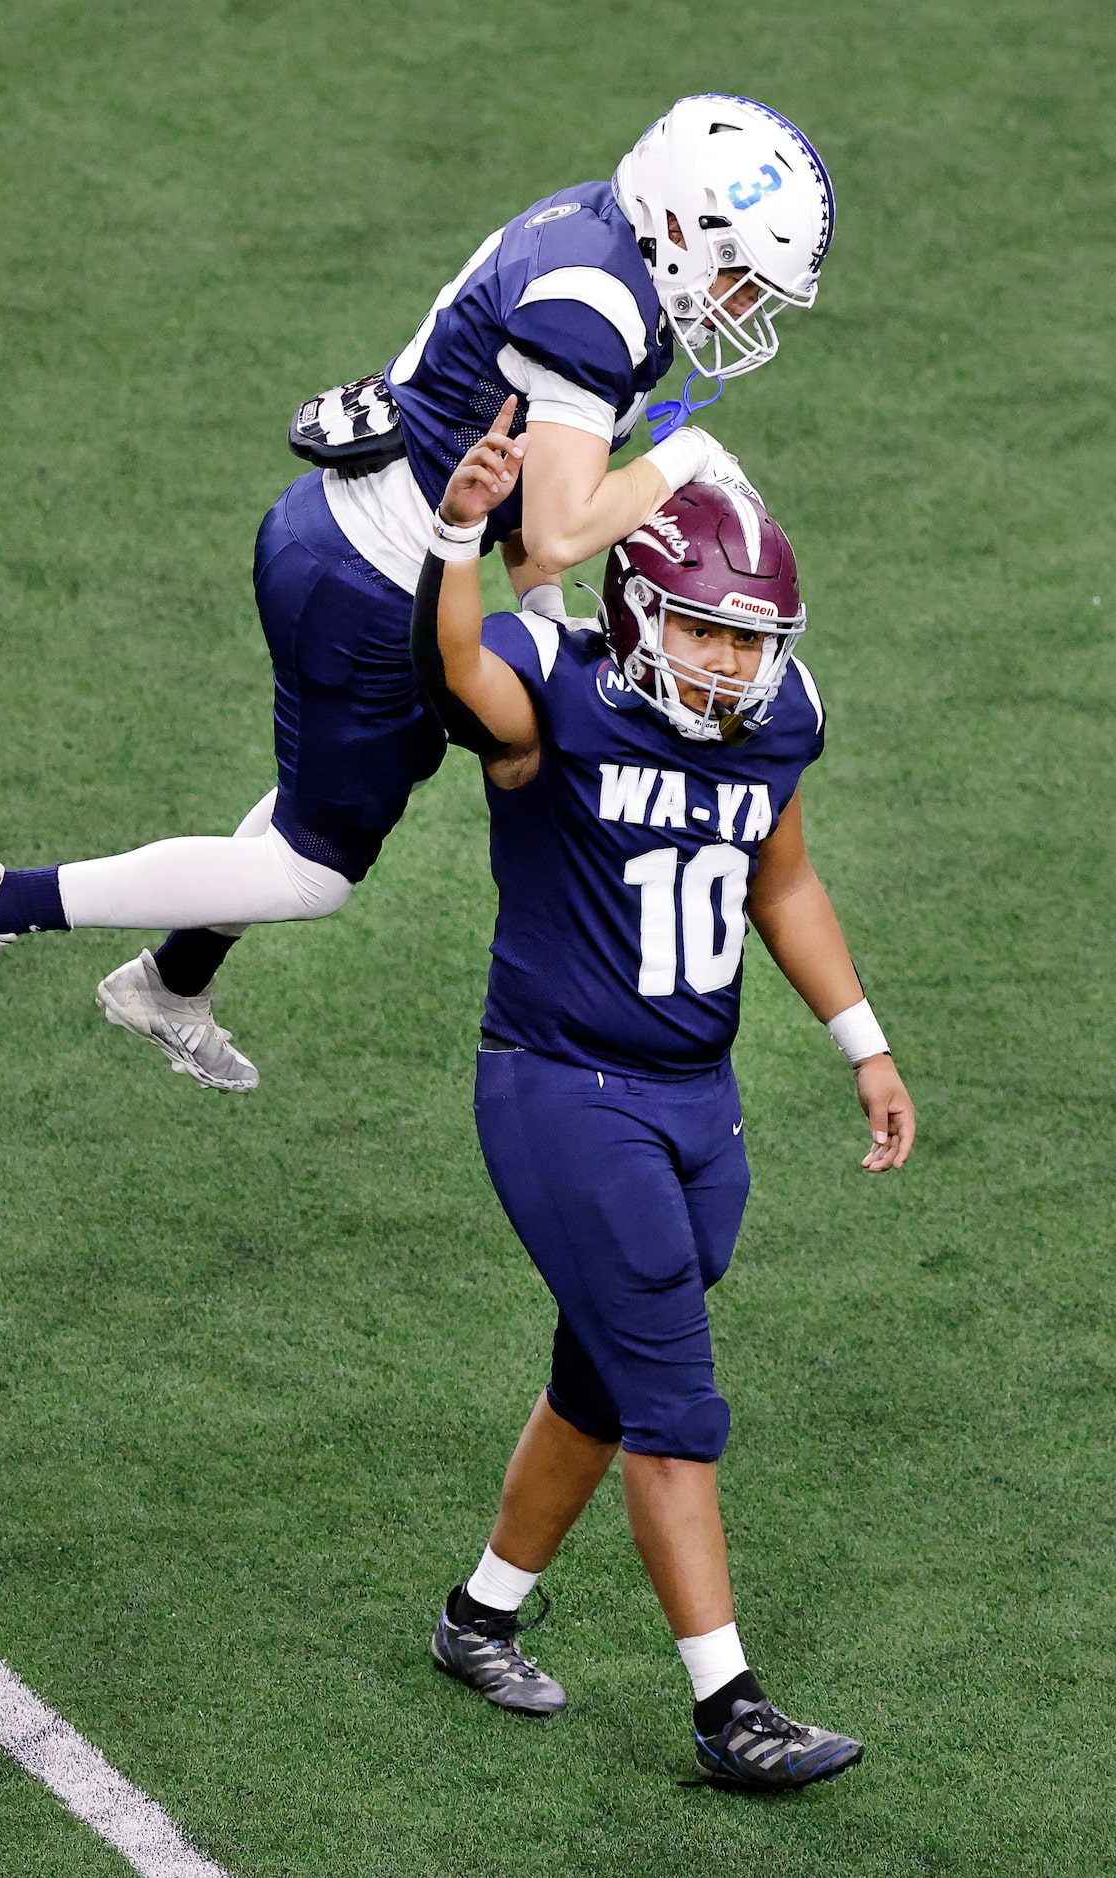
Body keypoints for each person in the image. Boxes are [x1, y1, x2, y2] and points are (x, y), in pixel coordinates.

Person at [0, 97, 837, 1083]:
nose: (740, 305)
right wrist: (686, 455)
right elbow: (565, 522)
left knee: (326, 804)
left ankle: (169, 986)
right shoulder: (594, 307)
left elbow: (531, 518)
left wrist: (547, 633)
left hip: (378, 561)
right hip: (361, 581)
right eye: (737, 275)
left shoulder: (607, 252)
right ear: (682, 229)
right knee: (310, 872)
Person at [409, 405, 915, 1789]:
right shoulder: (555, 689)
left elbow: (781, 880)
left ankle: (478, 1613)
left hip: (698, 1097)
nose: (732, 661)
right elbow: (454, 669)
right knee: (673, 1402)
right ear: (637, 606)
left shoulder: (774, 725)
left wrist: (858, 1039)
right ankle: (728, 1706)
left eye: (751, 637)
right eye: (703, 628)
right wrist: (460, 533)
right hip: (562, 1088)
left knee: (604, 1366)